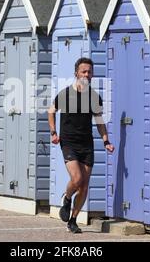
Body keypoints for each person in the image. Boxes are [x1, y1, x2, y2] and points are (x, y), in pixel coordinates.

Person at [48, 58, 115, 234]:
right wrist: (53, 132)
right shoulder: (65, 94)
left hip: (87, 143)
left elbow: (100, 122)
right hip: (69, 142)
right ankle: (67, 196)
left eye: (89, 72)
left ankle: (73, 220)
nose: (87, 74)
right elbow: (51, 111)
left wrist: (106, 141)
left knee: (84, 185)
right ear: (76, 73)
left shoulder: (94, 97)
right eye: (83, 71)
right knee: (77, 179)